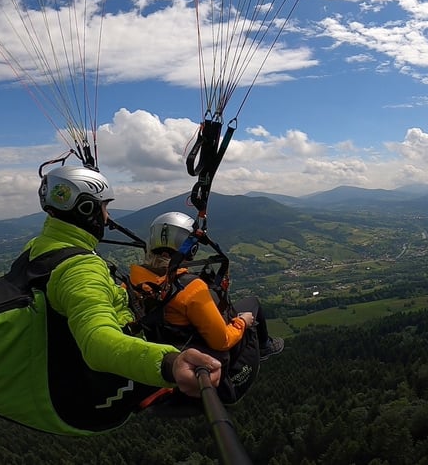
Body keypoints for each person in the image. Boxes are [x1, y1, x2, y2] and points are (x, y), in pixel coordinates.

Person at [28, 165, 222, 431]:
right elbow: (97, 341)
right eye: (104, 207)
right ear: (86, 209)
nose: (107, 218)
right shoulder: (80, 268)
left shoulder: (39, 249)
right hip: (98, 390)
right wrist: (168, 363)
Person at [128, 211, 285, 361]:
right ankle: (265, 347)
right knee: (253, 303)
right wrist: (243, 322)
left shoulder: (130, 283)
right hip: (195, 352)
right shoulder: (190, 287)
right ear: (190, 249)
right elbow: (222, 341)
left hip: (162, 350)